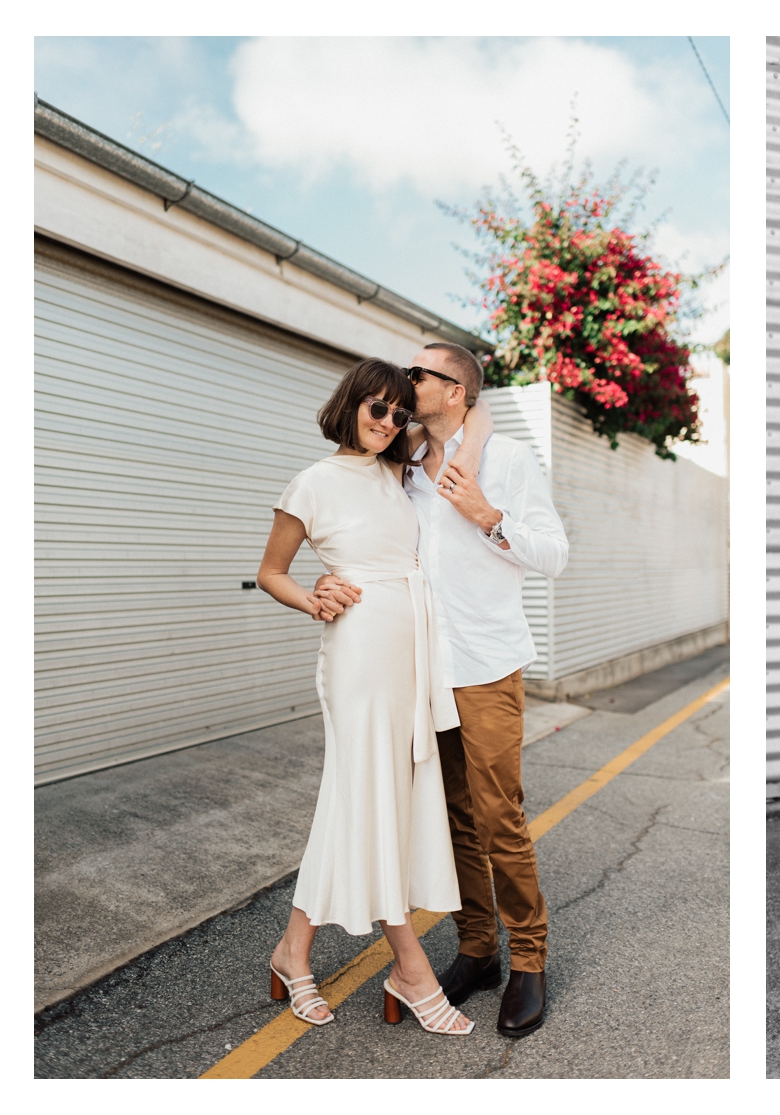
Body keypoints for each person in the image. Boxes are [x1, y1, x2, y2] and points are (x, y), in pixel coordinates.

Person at [315, 342, 568, 1038]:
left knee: (499, 817)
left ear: (454, 391)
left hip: (486, 665)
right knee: (453, 816)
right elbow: (353, 529)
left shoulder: (506, 461)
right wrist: (327, 580)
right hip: (421, 670)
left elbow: (555, 554)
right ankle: (479, 950)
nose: (408, 378)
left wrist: (488, 513)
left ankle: (530, 959)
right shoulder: (400, 470)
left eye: (420, 373)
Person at [257, 357, 492, 1036]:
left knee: (364, 802)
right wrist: (313, 597)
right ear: (351, 402)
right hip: (358, 650)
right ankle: (410, 966)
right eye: (377, 408)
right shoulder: (312, 482)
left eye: (399, 412)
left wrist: (464, 437)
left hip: (412, 654)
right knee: (370, 798)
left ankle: (293, 951)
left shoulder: (398, 469)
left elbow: (478, 409)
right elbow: (271, 570)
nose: (389, 422)